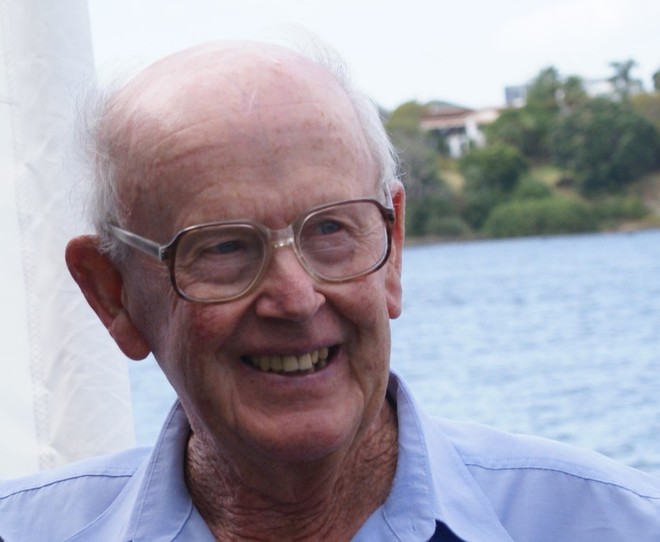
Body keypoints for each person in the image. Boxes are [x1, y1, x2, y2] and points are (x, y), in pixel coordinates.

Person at [1, 39, 659, 542]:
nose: (295, 298)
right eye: (225, 247)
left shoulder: (613, 523)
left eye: (331, 230)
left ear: (394, 251)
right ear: (111, 294)